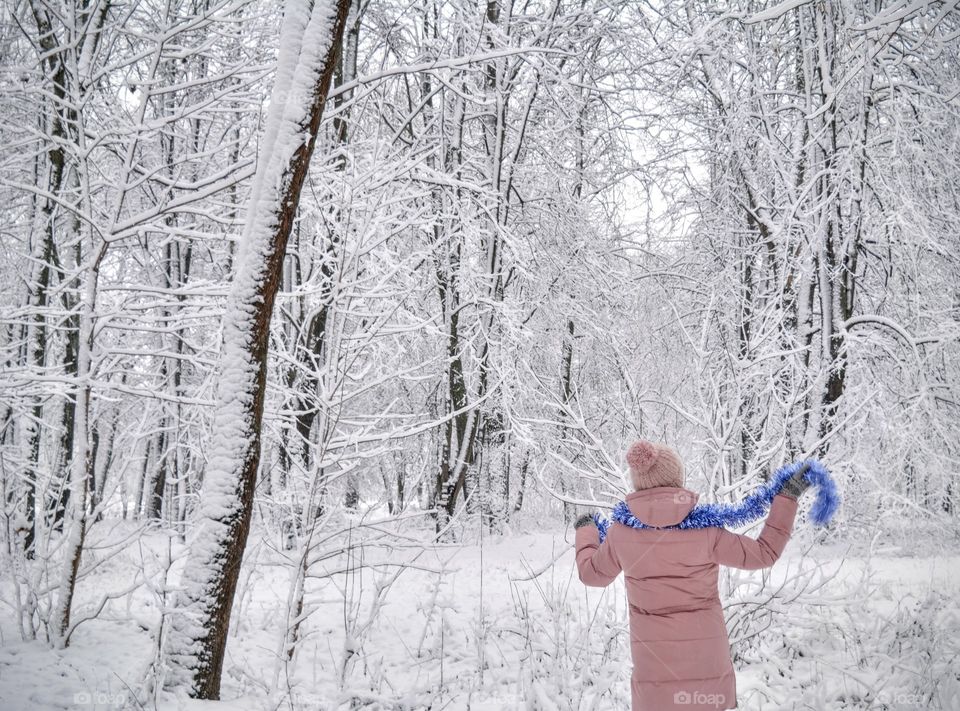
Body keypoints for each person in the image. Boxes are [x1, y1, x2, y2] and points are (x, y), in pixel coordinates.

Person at [574, 440, 810, 711]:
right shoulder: (705, 531)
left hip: (654, 672)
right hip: (707, 663)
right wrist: (787, 497)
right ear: (677, 480)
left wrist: (586, 530)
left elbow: (592, 575)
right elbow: (764, 553)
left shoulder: (620, 534)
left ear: (638, 484)